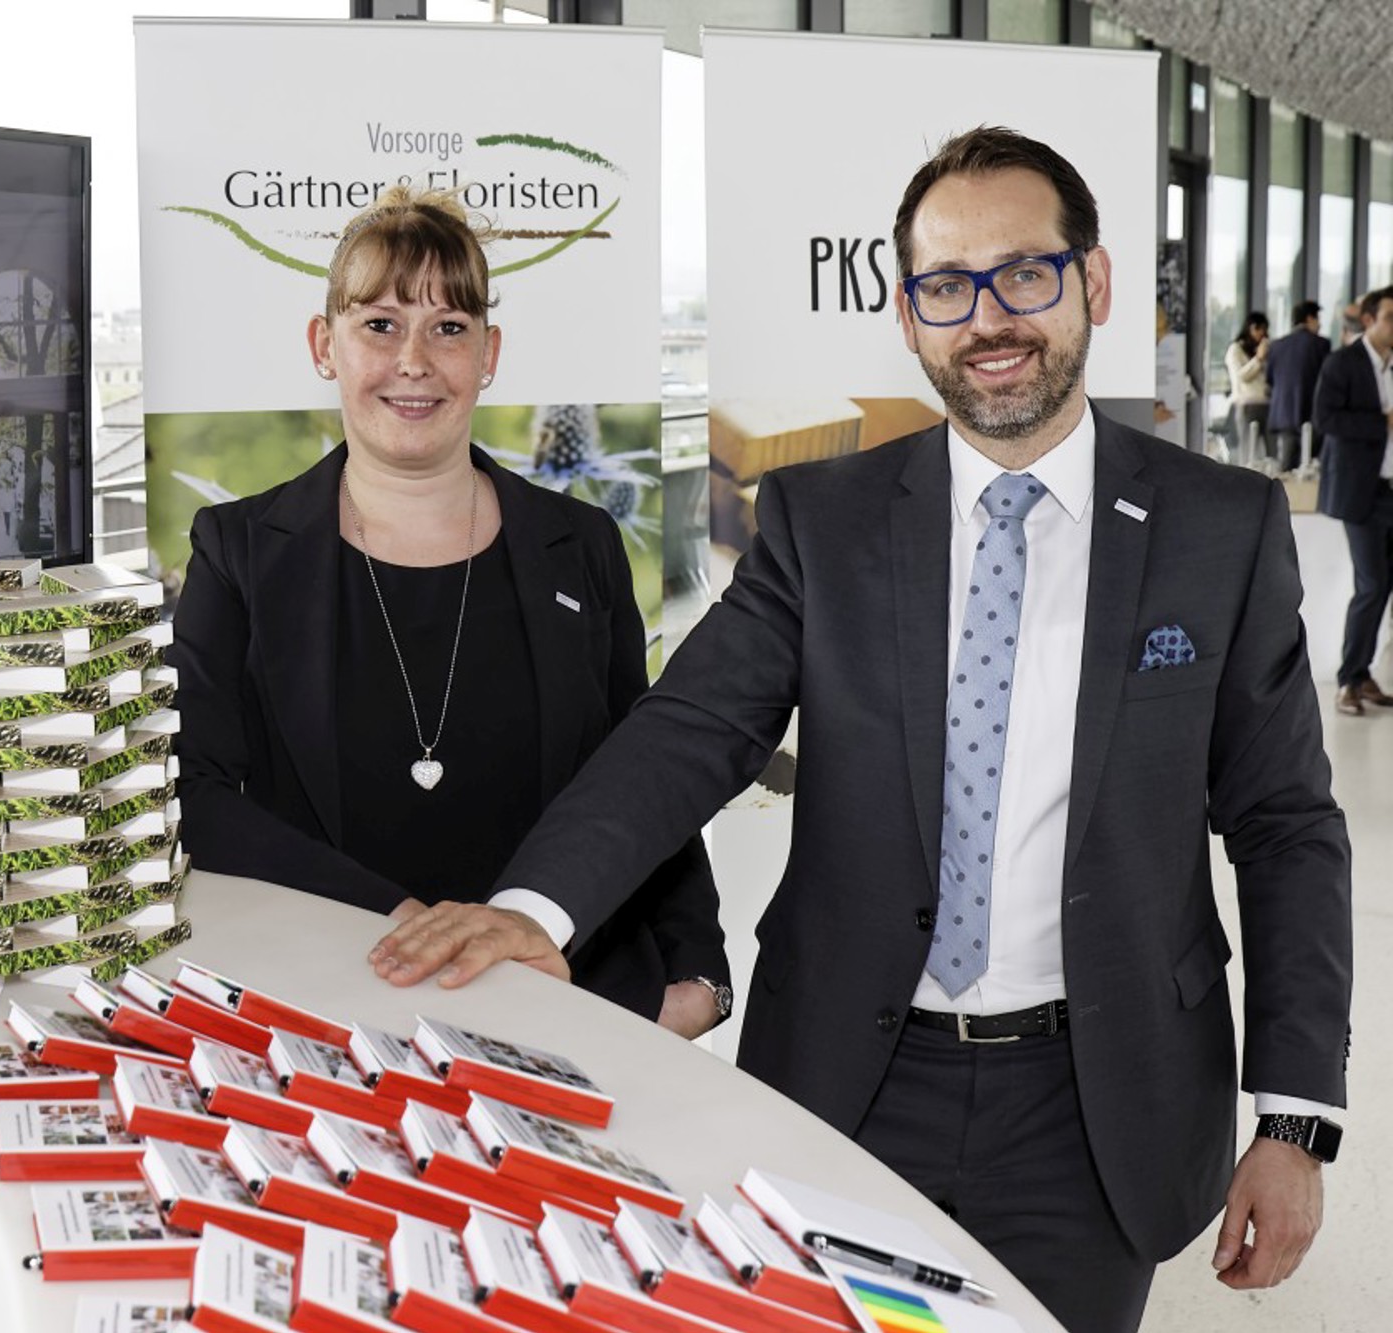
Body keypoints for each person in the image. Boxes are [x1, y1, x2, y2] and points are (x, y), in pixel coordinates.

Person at [372, 128, 1350, 1332]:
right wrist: (535, 910)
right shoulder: (821, 519)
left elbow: (1285, 824)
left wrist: (1294, 1118)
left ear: (1092, 283)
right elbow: (691, 726)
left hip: (1099, 1106)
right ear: (906, 315)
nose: (986, 318)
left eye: (1022, 273)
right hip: (845, 1077)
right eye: (946, 286)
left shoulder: (1217, 527)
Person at [169, 186, 730, 1038]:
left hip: (564, 1010)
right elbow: (195, 792)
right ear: (324, 345)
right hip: (330, 1009)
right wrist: (407, 922)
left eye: (449, 327)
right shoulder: (238, 551)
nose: (415, 361)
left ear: (488, 353)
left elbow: (643, 770)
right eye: (380, 324)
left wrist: (698, 975)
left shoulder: (580, 546)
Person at [1312, 285, 1393, 717]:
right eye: (1390, 318)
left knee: (1384, 586)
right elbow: (1325, 418)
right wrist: (1382, 422)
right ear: (1368, 320)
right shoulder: (1342, 363)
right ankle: (1348, 680)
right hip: (1363, 492)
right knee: (1372, 584)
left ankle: (1362, 674)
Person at [1266, 300, 1330, 476]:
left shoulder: (1276, 345)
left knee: (1286, 468)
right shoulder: (1321, 344)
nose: (1319, 324)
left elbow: (1270, 379)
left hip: (1284, 415)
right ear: (1310, 319)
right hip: (1312, 413)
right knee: (1311, 470)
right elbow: (1327, 380)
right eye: (1318, 319)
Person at [1224, 311, 1271, 469]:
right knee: (1247, 449)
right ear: (1249, 328)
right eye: (1257, 329)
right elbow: (1241, 376)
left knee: (1266, 452)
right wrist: (1258, 359)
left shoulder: (1263, 349)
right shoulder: (1235, 349)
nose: (1261, 334)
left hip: (1265, 403)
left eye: (1264, 329)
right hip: (1246, 404)